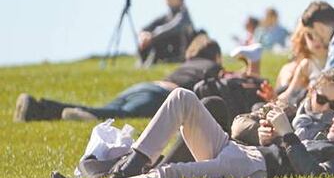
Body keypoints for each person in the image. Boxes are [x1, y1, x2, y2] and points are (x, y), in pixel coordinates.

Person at [50, 88, 334, 178]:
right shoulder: (326, 137)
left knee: (173, 175)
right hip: (245, 151)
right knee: (182, 98)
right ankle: (130, 164)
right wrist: (271, 136)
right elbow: (294, 154)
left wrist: (287, 133)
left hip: (253, 168)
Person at [14, 35, 224, 122]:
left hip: (145, 86)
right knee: (117, 115)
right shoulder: (213, 66)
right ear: (216, 56)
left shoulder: (186, 65)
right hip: (162, 95)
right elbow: (223, 86)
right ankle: (77, 114)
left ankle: (38, 107)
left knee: (107, 108)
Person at [232, 66, 334, 144]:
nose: (326, 108)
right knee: (258, 107)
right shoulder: (287, 108)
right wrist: (260, 132)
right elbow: (239, 124)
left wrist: (282, 138)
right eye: (321, 99)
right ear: (311, 91)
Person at [273, 23, 328, 110]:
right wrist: (273, 100)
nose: (316, 39)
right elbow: (288, 94)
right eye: (310, 36)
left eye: (321, 35)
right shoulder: (304, 65)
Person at [137, 0, 195, 65]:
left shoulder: (184, 15)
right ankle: (143, 64)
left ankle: (149, 63)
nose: (166, 0)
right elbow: (146, 28)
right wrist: (143, 35)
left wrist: (152, 36)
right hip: (167, 50)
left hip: (180, 53)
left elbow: (174, 27)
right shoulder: (167, 16)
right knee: (147, 37)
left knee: (158, 37)